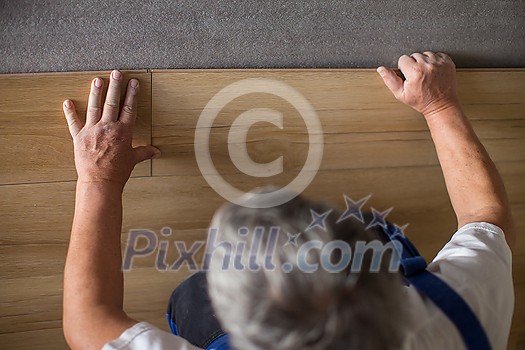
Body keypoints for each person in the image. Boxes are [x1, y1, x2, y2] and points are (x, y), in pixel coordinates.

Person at [62, 52, 515, 350]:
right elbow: (486, 218)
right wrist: (440, 106)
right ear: (381, 284)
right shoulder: (458, 314)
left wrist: (98, 178)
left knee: (192, 297)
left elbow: (87, 320)